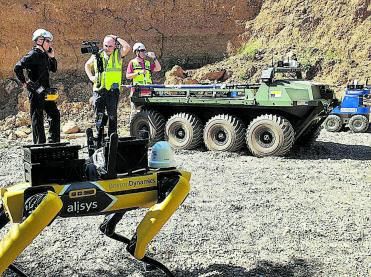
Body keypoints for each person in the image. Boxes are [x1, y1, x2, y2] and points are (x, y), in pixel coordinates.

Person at [14, 28, 60, 144]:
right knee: (37, 118)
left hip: (47, 91)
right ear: (40, 40)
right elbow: (17, 67)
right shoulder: (33, 54)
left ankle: (53, 142)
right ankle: (40, 145)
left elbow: (54, 69)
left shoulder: (45, 55)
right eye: (48, 41)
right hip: (36, 92)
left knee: (54, 114)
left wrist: (52, 57)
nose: (50, 44)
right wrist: (25, 82)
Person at [85, 35, 130, 137]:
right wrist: (91, 77)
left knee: (112, 116)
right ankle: (99, 135)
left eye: (110, 46)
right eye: (106, 46)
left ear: (115, 46)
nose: (108, 48)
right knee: (99, 115)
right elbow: (87, 65)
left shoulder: (117, 54)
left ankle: (112, 136)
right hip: (99, 89)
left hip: (112, 91)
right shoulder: (97, 54)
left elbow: (127, 47)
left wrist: (117, 38)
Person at [126, 42, 161, 121]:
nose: (144, 52)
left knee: (148, 112)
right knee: (135, 113)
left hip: (148, 91)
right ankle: (133, 129)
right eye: (142, 50)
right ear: (137, 52)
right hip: (137, 91)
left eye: (144, 50)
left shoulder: (147, 63)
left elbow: (158, 68)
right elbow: (127, 76)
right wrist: (138, 72)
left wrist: (154, 58)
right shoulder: (132, 63)